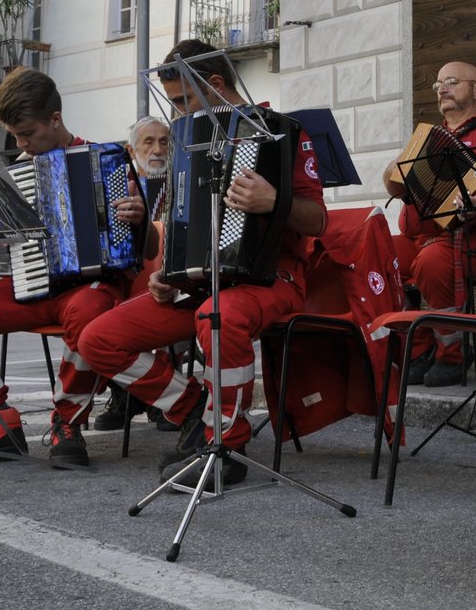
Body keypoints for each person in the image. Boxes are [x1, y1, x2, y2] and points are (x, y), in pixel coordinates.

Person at [77, 39, 328, 484]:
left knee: (220, 313)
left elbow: (318, 221)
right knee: (98, 339)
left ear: (215, 83)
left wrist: (275, 201)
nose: (175, 113)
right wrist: (166, 274)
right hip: (197, 285)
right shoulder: (187, 140)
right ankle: (193, 406)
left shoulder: (278, 132)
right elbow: (178, 220)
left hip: (272, 279)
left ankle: (227, 447)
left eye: (181, 101)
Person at [0, 67, 146, 469]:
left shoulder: (108, 159)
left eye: (28, 134)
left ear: (55, 120)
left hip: (91, 288)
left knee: (89, 314)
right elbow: (8, 241)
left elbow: (141, 245)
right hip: (29, 284)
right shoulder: (13, 173)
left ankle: (67, 422)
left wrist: (136, 216)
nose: (22, 145)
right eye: (15, 136)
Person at [383, 61, 476, 387]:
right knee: (382, 252)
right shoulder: (427, 139)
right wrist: (393, 170)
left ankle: (452, 355)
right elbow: (394, 186)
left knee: (433, 261)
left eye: (451, 81)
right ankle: (418, 350)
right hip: (428, 236)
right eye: (438, 85)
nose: (442, 89)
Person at [92, 115, 177, 433]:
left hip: (167, 279)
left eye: (165, 141)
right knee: (94, 308)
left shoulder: (181, 181)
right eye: (149, 141)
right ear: (131, 149)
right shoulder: (115, 184)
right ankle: (125, 394)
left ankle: (162, 395)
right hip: (126, 281)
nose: (158, 149)